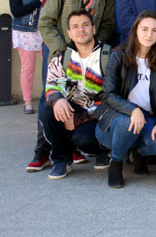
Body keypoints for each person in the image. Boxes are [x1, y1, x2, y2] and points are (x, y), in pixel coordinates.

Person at [30, 0, 115, 173]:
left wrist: (95, 47)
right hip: (63, 52)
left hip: (92, 54)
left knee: (91, 95)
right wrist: (64, 50)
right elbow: (46, 21)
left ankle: (93, 147)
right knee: (51, 101)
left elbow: (107, 23)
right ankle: (50, 153)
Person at [95, 12, 156, 188]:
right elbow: (108, 94)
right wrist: (133, 110)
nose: (149, 34)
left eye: (154, 30)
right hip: (116, 119)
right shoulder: (118, 56)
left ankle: (137, 152)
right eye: (144, 29)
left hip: (146, 118)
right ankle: (116, 164)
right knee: (126, 123)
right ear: (135, 31)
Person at [39, 10, 113, 179]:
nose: (81, 30)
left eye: (86, 25)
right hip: (72, 109)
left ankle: (102, 151)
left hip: (98, 115)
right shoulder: (62, 58)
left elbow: (116, 97)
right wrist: (57, 101)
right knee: (47, 106)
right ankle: (61, 159)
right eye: (75, 26)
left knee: (85, 140)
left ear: (93, 28)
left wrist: (83, 118)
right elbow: (51, 84)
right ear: (70, 33)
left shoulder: (109, 56)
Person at [9, 0, 47, 113]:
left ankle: (50, 98)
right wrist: (38, 1)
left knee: (51, 66)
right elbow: (16, 11)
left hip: (45, 30)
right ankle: (28, 102)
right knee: (28, 68)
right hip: (25, 32)